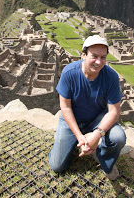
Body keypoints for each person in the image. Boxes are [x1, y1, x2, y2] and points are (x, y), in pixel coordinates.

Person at [49, 35, 126, 180]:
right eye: (94, 56)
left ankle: (102, 157)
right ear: (83, 55)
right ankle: (71, 142)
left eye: (103, 57)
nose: (98, 62)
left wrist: (97, 135)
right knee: (57, 166)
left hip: (97, 119)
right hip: (73, 119)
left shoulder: (111, 77)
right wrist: (79, 137)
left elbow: (114, 111)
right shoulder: (69, 73)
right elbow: (65, 107)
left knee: (118, 137)